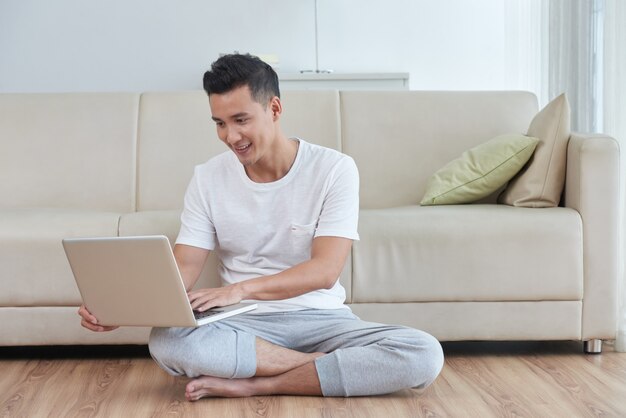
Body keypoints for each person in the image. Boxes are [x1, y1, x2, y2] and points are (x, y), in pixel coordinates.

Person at [78, 53, 444, 401]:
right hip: (243, 327)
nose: (231, 137)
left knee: (423, 353)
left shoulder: (334, 169)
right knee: (167, 340)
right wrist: (125, 308)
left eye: (241, 120)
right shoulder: (208, 178)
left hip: (322, 320)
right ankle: (322, 368)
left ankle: (258, 385)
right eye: (220, 123)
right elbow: (186, 265)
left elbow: (325, 270)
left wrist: (240, 290)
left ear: (274, 109)